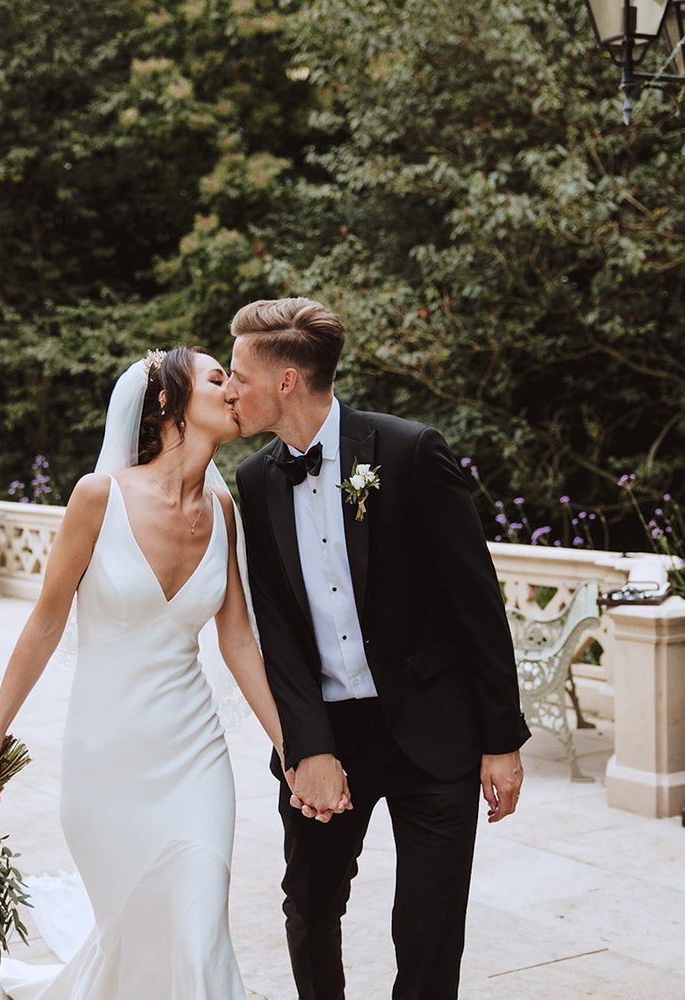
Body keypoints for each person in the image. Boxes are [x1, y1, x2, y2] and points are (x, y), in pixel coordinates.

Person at [0, 347, 307, 999]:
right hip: (106, 761)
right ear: (170, 403)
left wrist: (294, 746)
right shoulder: (98, 499)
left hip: (194, 757)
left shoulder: (223, 514)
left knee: (201, 931)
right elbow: (43, 623)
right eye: (215, 379)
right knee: (138, 940)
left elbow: (237, 643)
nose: (233, 389)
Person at [225, 297, 531, 1000]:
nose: (230, 388)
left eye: (240, 373)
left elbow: (476, 604)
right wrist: (306, 747)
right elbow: (274, 629)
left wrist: (502, 740)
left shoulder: (409, 450)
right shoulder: (252, 482)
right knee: (309, 905)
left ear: (288, 380)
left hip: (436, 726)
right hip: (331, 733)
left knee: (429, 927)